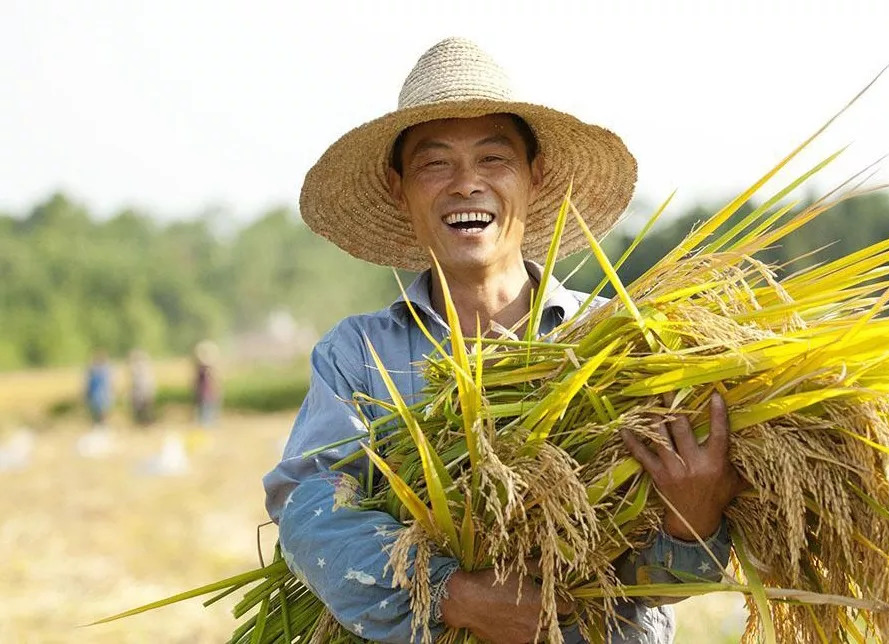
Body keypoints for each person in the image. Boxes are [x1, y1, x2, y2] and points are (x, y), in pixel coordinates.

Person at [264, 38, 743, 643]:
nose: (467, 184)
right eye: (436, 163)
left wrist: (691, 520)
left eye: (494, 159)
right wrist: (455, 597)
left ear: (535, 176)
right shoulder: (358, 356)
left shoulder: (621, 341)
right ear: (398, 188)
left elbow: (662, 583)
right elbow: (310, 510)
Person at [193, 340, 220, 427]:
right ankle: (205, 426)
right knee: (205, 413)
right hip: (205, 394)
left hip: (208, 394)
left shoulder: (206, 369)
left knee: (207, 412)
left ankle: (207, 426)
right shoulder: (203, 369)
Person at [84, 349, 113, 429]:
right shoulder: (93, 371)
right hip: (98, 396)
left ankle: (101, 425)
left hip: (100, 396)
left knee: (101, 411)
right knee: (98, 411)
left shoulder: (102, 370)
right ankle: (99, 425)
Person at [128, 349, 156, 427]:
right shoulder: (146, 367)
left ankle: (145, 423)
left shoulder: (138, 368)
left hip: (142, 392)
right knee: (144, 409)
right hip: (144, 392)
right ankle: (144, 423)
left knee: (145, 409)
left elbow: (138, 383)